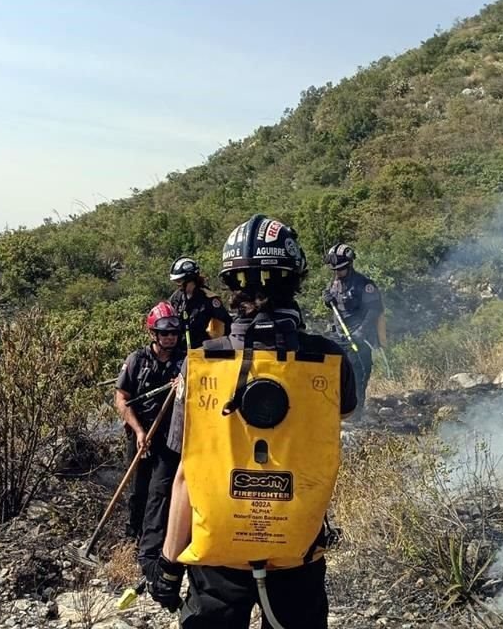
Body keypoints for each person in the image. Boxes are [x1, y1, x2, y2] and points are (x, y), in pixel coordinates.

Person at [149, 214, 358, 628]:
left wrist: (169, 564)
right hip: (298, 551)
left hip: (217, 556)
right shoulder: (331, 360)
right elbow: (343, 412)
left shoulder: (202, 365)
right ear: (294, 279)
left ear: (230, 284)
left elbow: (186, 475)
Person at [114, 301, 186, 579]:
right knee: (138, 490)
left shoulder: (186, 362)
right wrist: (139, 431)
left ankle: (152, 551)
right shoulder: (137, 360)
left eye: (174, 332)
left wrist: (186, 385)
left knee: (161, 492)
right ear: (153, 333)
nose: (170, 337)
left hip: (171, 438)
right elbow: (121, 399)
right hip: (140, 434)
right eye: (164, 332)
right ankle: (132, 539)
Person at [322, 242, 383, 410]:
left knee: (358, 377)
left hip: (358, 339)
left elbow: (375, 310)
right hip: (339, 337)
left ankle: (356, 415)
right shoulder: (335, 282)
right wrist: (328, 301)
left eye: (340, 269)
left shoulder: (364, 285)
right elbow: (336, 303)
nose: (336, 273)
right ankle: (337, 412)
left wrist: (361, 332)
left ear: (349, 265)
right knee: (336, 376)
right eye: (334, 270)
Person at [168, 256, 232, 349]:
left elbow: (227, 324)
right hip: (179, 350)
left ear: (190, 280)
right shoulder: (176, 297)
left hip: (201, 351)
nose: (177, 285)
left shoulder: (209, 299)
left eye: (179, 281)